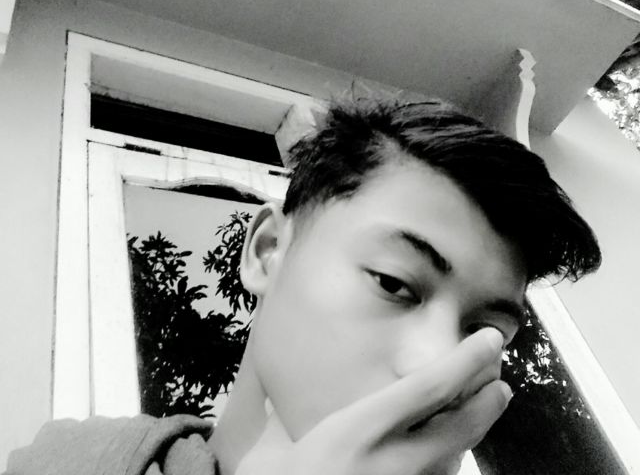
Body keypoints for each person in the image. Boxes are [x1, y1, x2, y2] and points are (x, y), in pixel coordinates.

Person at [6, 96, 600, 475]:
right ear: (268, 251)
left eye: (485, 333)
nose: (436, 363)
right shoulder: (71, 465)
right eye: (394, 282)